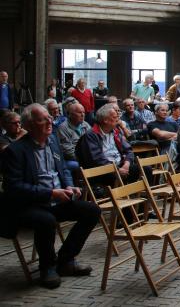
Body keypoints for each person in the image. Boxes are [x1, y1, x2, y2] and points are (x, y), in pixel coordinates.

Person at [1, 103, 100, 289]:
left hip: (57, 200)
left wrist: (69, 186)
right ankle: (47, 267)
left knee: (92, 210)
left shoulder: (53, 141)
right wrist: (50, 193)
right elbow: (14, 188)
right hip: (30, 205)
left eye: (49, 118)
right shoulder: (15, 151)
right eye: (42, 120)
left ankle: (65, 260)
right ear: (29, 126)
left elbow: (63, 169)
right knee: (46, 221)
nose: (49, 122)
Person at [76, 103, 143, 183]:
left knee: (145, 169)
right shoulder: (91, 135)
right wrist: (117, 170)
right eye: (114, 117)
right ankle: (126, 189)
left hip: (120, 167)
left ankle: (131, 190)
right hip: (103, 172)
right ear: (105, 120)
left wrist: (127, 164)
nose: (118, 119)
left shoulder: (115, 132)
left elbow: (128, 150)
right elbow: (97, 160)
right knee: (126, 175)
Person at [56, 103, 91, 173]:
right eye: (79, 112)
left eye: (83, 112)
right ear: (70, 114)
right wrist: (85, 159)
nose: (82, 115)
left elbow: (93, 141)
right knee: (78, 165)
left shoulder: (85, 125)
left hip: (87, 156)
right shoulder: (63, 128)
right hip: (72, 159)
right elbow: (67, 151)